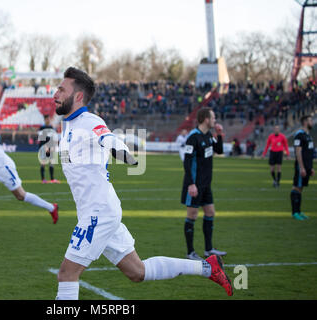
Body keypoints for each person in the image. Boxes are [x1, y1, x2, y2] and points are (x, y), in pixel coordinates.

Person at [53, 67, 232, 300]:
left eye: (61, 89)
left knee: (67, 274)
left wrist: (124, 153)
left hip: (98, 214)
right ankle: (208, 267)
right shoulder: (69, 124)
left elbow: (109, 138)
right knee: (138, 271)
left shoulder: (89, 121)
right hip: (100, 210)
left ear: (78, 96)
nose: (55, 93)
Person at [181, 107, 227, 261]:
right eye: (213, 118)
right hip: (194, 185)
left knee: (210, 212)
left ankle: (208, 249)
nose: (215, 120)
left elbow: (219, 150)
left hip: (206, 184)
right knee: (192, 215)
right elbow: (187, 163)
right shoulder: (193, 137)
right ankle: (190, 252)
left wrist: (219, 135)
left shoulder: (208, 135)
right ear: (206, 119)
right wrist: (191, 184)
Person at [290, 115, 314, 221]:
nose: (312, 122)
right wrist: (302, 167)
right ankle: (295, 212)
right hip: (301, 166)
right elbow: (298, 151)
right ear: (305, 122)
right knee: (296, 187)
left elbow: (308, 153)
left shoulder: (308, 135)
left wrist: (310, 168)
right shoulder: (299, 135)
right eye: (310, 120)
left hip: (307, 166)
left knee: (301, 188)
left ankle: (299, 211)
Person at [37, 115, 60, 184]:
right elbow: (42, 139)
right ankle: (43, 180)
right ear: (45, 120)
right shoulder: (42, 128)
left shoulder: (51, 127)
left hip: (51, 147)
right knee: (43, 163)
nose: (48, 120)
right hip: (43, 148)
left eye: (49, 119)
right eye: (47, 119)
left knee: (52, 163)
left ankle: (52, 179)